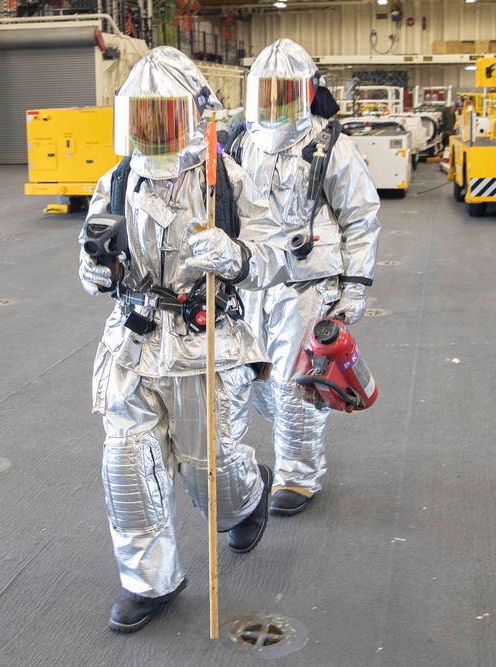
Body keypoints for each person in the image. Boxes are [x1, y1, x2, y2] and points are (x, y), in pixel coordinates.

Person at [77, 46, 290, 634]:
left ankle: (248, 496)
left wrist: (238, 255)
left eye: (163, 117)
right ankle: (150, 582)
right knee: (127, 469)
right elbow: (91, 254)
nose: (151, 132)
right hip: (131, 344)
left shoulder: (228, 180)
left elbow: (277, 253)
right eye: (141, 117)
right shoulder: (117, 180)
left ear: (196, 116)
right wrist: (96, 271)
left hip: (205, 345)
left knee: (209, 474)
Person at [227, 38, 381, 517]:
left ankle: (297, 476)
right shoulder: (239, 143)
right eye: (265, 92)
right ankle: (270, 457)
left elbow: (360, 216)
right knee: (249, 381)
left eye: (283, 92)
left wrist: (354, 286)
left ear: (305, 93)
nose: (273, 103)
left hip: (306, 285)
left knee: (296, 384)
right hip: (252, 282)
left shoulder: (329, 146)